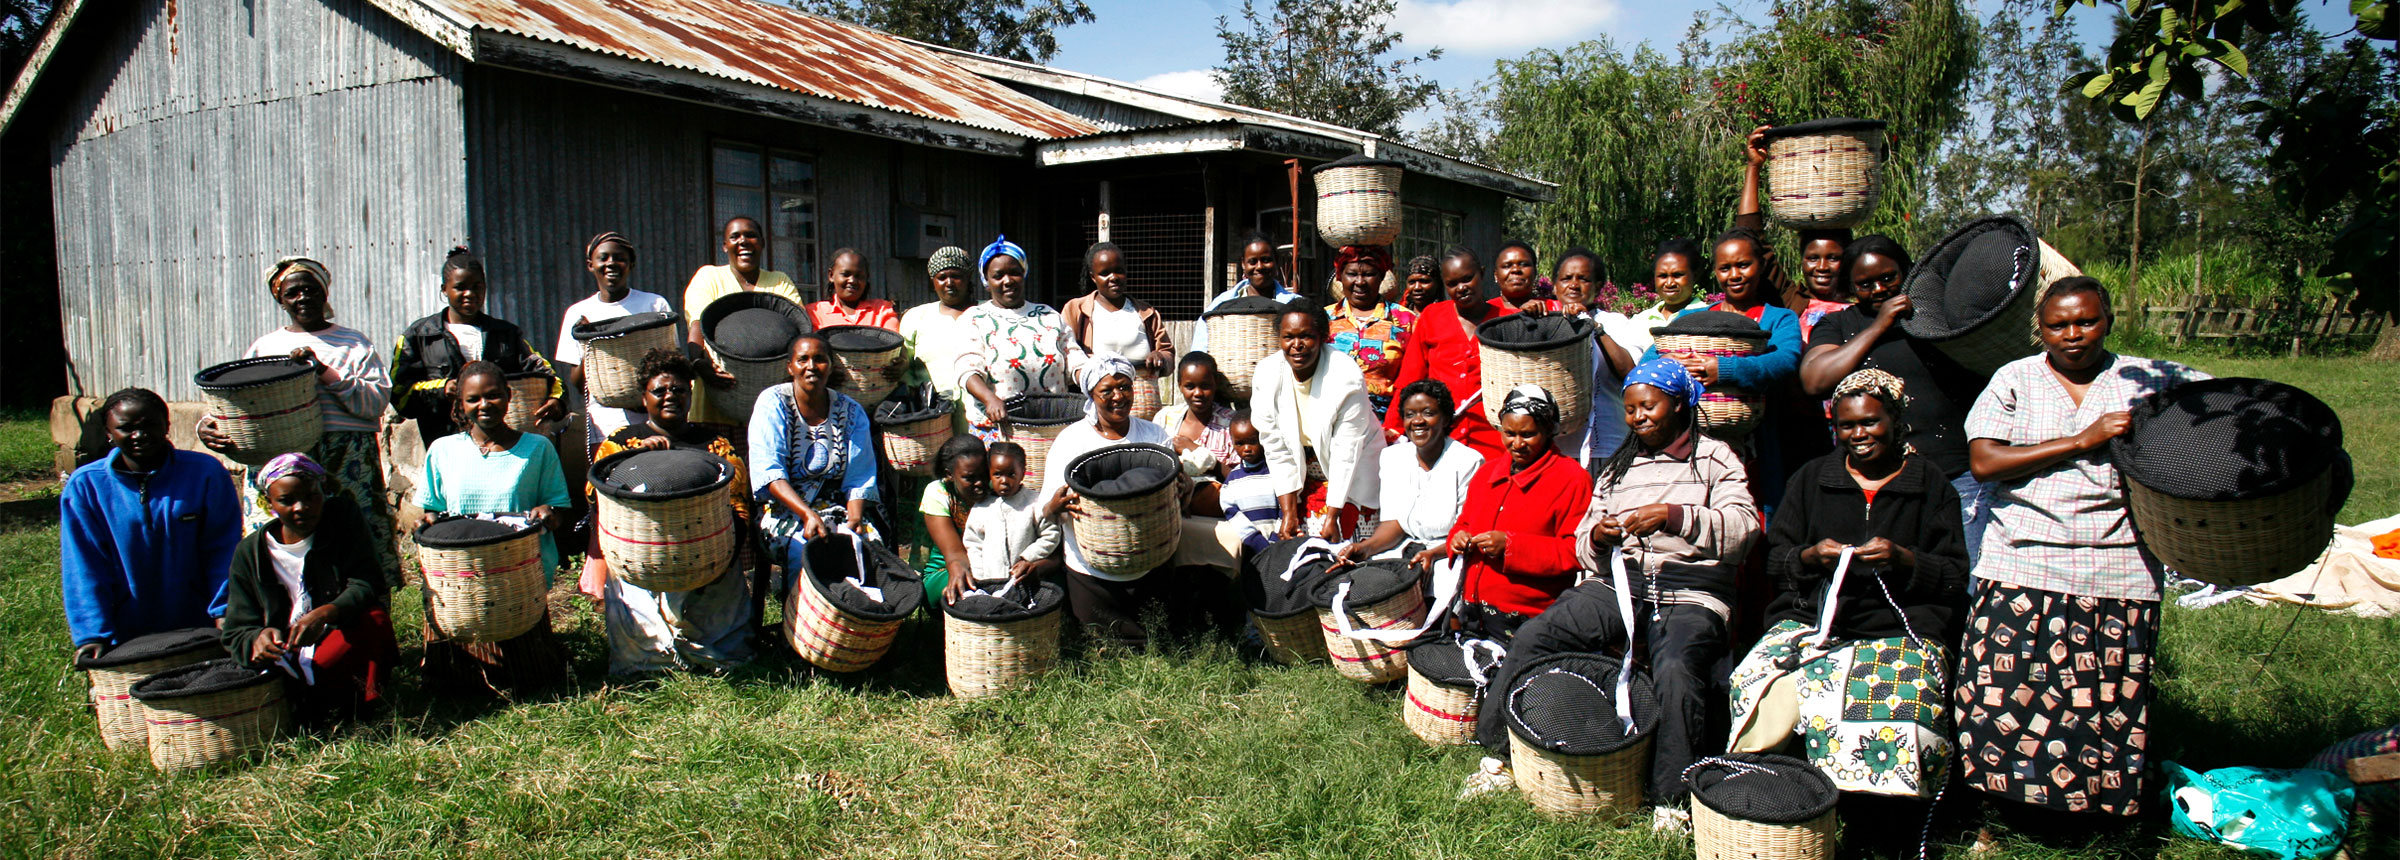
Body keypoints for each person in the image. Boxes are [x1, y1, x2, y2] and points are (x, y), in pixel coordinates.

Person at [1462, 360, 1759, 832]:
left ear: (1679, 404)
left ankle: (1670, 800)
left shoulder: (1715, 458)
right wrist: (1598, 538)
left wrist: (1674, 516)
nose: (1637, 417)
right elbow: (1583, 547)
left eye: (1648, 406)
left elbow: (1744, 530)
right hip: (1620, 584)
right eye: (1630, 409)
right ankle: (1497, 754)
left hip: (1690, 592)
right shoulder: (1619, 465)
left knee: (1678, 669)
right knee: (1539, 635)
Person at [1953, 277, 2208, 823]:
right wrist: (2080, 441)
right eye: (2058, 325)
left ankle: (2096, 815)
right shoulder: (2015, 379)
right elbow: (1985, 462)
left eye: (2086, 321)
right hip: (2023, 554)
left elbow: (2224, 410)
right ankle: (2003, 813)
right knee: (2003, 697)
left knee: (2102, 702)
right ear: (2040, 329)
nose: (2072, 335)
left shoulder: (2148, 379)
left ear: (2108, 320)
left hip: (2116, 561)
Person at [1726, 370, 1968, 807]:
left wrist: (1905, 560)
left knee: (1898, 702)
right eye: (1847, 425)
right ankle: (1773, 800)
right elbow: (1775, 561)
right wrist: (1810, 557)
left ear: (1895, 421)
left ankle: (1884, 815)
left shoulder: (1930, 485)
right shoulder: (1812, 479)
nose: (1859, 434)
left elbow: (1954, 575)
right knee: (1755, 681)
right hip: (1815, 623)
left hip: (1901, 628)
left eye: (1871, 422)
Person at [199, 257, 396, 578]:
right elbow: (238, 404)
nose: (303, 297)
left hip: (347, 460)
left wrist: (324, 372)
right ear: (279, 298)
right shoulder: (266, 347)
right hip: (280, 460)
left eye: (310, 289)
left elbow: (374, 403)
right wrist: (206, 427)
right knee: (283, 550)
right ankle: (284, 616)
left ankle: (360, 617)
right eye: (293, 292)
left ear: (324, 292)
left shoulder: (354, 343)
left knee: (351, 543)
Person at [1798, 236, 1990, 561]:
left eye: (1889, 278)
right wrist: (1879, 326)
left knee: (1961, 574)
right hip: (1880, 482)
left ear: (1907, 271)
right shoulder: (1840, 324)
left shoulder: (1936, 312)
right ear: (1849, 287)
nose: (1878, 289)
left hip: (1957, 474)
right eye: (1864, 284)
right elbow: (1815, 379)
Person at [582, 350, 757, 675]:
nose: (669, 397)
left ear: (691, 392)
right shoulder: (621, 443)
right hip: (641, 561)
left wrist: (720, 560)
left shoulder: (714, 444)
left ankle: (714, 654)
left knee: (724, 652)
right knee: (643, 644)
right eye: (659, 391)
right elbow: (597, 496)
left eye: (678, 389)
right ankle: (647, 663)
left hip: (707, 561)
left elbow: (738, 502)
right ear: (643, 397)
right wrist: (635, 463)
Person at [413, 361, 573, 696]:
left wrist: (547, 513)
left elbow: (558, 513)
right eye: (473, 399)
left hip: (514, 576)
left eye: (493, 396)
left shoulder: (537, 449)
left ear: (508, 397)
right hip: (459, 578)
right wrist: (427, 519)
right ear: (460, 404)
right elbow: (434, 512)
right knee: (454, 686)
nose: (484, 405)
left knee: (531, 680)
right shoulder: (443, 451)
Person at [1640, 227, 1814, 508]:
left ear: (1761, 266)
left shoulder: (1779, 318)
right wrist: (1671, 364)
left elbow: (1785, 361)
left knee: (1754, 517)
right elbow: (1646, 365)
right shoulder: (1692, 318)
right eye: (1725, 268)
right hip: (1695, 446)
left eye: (1743, 265)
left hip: (1760, 444)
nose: (1734, 275)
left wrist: (1724, 369)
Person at [61, 389, 241, 656]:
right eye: (126, 428)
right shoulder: (87, 486)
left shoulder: (204, 473)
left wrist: (225, 611)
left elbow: (224, 549)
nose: (140, 436)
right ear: (108, 432)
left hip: (200, 626)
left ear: (167, 425)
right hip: (124, 633)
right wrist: (92, 634)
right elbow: (84, 564)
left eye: (150, 425)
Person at [220, 454, 398, 722]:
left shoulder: (341, 520)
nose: (301, 507)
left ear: (324, 493)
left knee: (373, 620)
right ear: (269, 504)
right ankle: (305, 704)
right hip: (285, 655)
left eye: (311, 496)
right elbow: (236, 630)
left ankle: (357, 707)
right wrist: (258, 638)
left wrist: (326, 613)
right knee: (288, 680)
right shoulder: (251, 553)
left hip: (332, 636)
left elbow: (366, 582)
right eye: (286, 501)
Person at [1037, 354, 1198, 645]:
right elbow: (1046, 506)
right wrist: (1054, 507)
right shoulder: (1071, 441)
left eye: (1124, 387)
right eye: (1107, 390)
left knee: (1157, 636)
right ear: (1091, 395)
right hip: (1092, 564)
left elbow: (1174, 490)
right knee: (1102, 642)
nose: (1118, 397)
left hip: (1150, 557)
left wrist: (1184, 489)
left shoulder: (1152, 435)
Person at [1421, 385, 1590, 628]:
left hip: (1531, 618)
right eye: (1509, 433)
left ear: (1549, 431)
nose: (1517, 443)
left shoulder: (1571, 479)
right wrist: (1457, 540)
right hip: (1473, 608)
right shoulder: (1488, 473)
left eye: (1528, 434)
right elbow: (1464, 523)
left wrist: (1511, 547)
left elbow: (1576, 551)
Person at [749, 334, 880, 605]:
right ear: (790, 367)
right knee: (807, 550)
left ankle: (860, 624)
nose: (811, 366)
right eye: (803, 359)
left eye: (820, 359)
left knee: (870, 544)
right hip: (784, 510)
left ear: (831, 366)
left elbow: (860, 475)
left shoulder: (850, 410)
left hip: (836, 507)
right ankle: (801, 629)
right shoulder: (772, 403)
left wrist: (854, 519)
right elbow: (770, 472)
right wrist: (807, 514)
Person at [392, 246, 565, 445]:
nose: (470, 294)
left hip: (501, 448)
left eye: (477, 287)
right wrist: (442, 389)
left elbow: (547, 375)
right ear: (444, 289)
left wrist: (557, 401)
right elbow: (399, 395)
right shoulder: (419, 336)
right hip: (448, 446)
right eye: (460, 287)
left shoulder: (506, 334)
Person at [1250, 307, 1385, 542]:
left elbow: (1347, 451)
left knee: (1348, 544)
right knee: (1302, 545)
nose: (1297, 344)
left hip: (1356, 466)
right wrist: (1289, 512)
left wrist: (1332, 515)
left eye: (1306, 336)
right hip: (1306, 469)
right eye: (1288, 337)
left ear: (1322, 337)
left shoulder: (1346, 377)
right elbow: (1275, 446)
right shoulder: (1266, 374)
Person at [1383, 246, 1509, 461]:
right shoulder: (1432, 317)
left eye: (1468, 279)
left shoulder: (1506, 322)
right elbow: (1409, 379)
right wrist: (1393, 427)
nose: (1461, 288)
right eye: (1452, 283)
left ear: (1482, 273)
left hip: (1494, 443)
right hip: (1441, 440)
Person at [1337, 380, 1481, 564]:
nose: (1418, 421)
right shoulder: (1392, 457)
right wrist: (1365, 548)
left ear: (1445, 418)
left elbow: (1466, 532)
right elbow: (1393, 524)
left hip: (1448, 555)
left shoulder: (1468, 461)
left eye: (1428, 413)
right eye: (1410, 414)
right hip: (1403, 550)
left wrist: (1432, 555)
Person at [954, 236, 1083, 439]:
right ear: (986, 281)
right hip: (999, 430)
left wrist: (1093, 379)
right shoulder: (975, 318)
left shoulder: (1048, 315)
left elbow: (1074, 359)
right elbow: (967, 369)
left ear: (1024, 274)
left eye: (1014, 273)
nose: (1007, 281)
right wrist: (989, 399)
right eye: (998, 276)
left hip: (1052, 428)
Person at [556, 232, 675, 448]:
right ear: (590, 265)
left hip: (652, 422)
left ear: (631, 264)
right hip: (604, 423)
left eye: (619, 258)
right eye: (604, 258)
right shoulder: (578, 313)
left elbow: (673, 364)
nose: (611, 263)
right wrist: (587, 341)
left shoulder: (655, 306)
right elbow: (577, 381)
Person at [685, 216, 805, 425]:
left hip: (771, 401)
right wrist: (699, 363)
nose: (743, 242)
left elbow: (799, 326)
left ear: (762, 243)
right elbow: (698, 323)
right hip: (716, 395)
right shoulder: (708, 277)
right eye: (735, 237)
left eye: (751, 236)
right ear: (724, 246)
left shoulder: (779, 281)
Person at [1741, 125, 1851, 339]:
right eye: (1812, 258)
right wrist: (1754, 167)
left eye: (1833, 258)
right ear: (1802, 260)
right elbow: (1750, 239)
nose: (1822, 267)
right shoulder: (1790, 300)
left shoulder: (1861, 307)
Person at [1549, 248, 1642, 469]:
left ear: (1598, 286)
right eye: (1566, 278)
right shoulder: (1546, 325)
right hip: (1558, 450)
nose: (1573, 284)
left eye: (1583, 279)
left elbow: (1630, 373)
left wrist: (1595, 328)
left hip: (1610, 447)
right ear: (1554, 285)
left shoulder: (1615, 323)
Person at [1060, 240, 1175, 404]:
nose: (1113, 278)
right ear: (1093, 277)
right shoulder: (1076, 310)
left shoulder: (1145, 312)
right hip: (1096, 405)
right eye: (1105, 273)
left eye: (1119, 271)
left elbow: (1168, 354)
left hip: (1142, 405)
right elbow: (1066, 352)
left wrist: (1161, 358)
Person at [954, 442, 1061, 599]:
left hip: (1025, 581)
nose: (1004, 481)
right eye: (997, 475)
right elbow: (974, 543)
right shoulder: (982, 507)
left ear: (1022, 473)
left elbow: (1050, 535)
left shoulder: (1035, 503)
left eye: (1011, 475)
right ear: (989, 474)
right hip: (991, 583)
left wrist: (1028, 557)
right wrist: (980, 577)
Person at [1324, 244, 1415, 420]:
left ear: (1381, 277)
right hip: (1333, 421)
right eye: (1352, 274)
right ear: (1340, 277)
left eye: (1368, 274)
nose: (1360, 282)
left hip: (1387, 424)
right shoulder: (1323, 319)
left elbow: (1415, 376)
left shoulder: (1405, 321)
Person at [897, 246, 980, 435]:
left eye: (956, 276)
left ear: (968, 279)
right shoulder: (916, 317)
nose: (949, 283)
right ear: (933, 282)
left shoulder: (987, 313)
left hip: (981, 419)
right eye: (942, 277)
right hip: (933, 421)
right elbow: (905, 368)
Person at [1191, 230, 1301, 353]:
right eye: (1252, 261)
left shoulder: (1296, 305)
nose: (1259, 267)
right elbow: (1199, 352)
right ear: (1243, 264)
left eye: (1266, 260)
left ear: (1276, 262)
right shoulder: (1219, 306)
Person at [919, 435, 989, 605]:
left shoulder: (996, 489)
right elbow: (954, 555)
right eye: (969, 478)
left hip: (991, 565)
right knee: (971, 587)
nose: (979, 483)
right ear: (950, 474)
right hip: (946, 570)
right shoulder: (938, 493)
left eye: (984, 474)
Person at [1218, 415, 1283, 556]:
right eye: (1240, 443)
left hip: (1279, 544)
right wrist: (1255, 540)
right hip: (1250, 548)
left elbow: (1285, 507)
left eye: (1252, 442)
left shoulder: (1277, 473)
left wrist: (1276, 537)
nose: (1246, 448)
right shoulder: (1231, 481)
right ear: (1232, 443)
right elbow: (1232, 513)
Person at [1626, 238, 1708, 340]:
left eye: (1677, 275)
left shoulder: (1707, 318)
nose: (1669, 283)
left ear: (1694, 276)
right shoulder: (1640, 321)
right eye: (1663, 276)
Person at [806, 248, 898, 330]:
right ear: (831, 275)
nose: (852, 281)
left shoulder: (882, 310)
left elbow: (891, 346)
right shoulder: (815, 312)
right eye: (845, 274)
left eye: (859, 276)